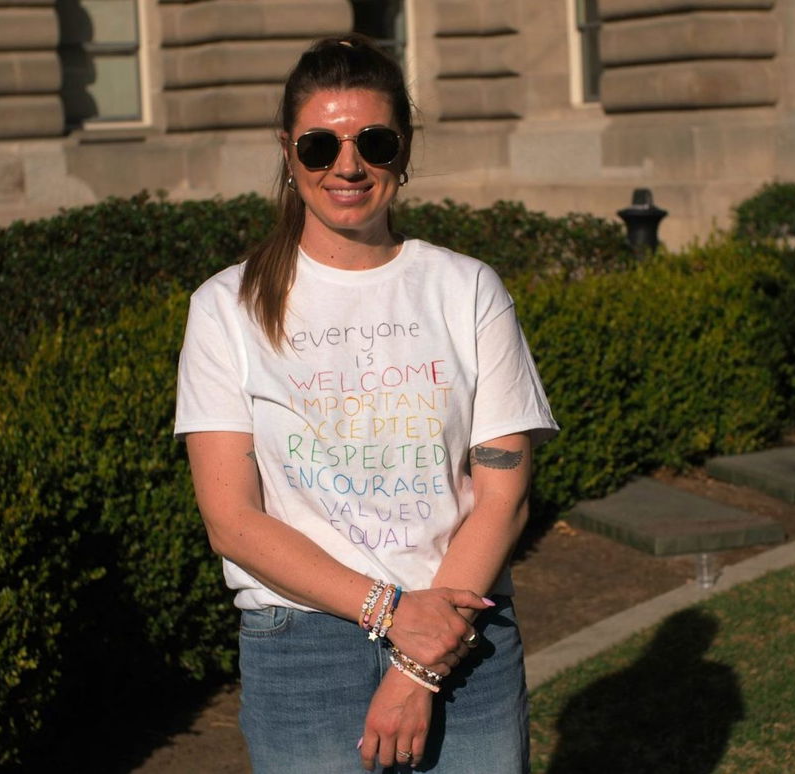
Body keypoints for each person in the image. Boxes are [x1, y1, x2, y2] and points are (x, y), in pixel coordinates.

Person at [174, 34, 557, 773]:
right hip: (304, 647)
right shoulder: (226, 307)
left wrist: (420, 662)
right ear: (288, 153)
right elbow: (232, 521)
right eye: (320, 146)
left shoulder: (466, 288)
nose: (346, 166)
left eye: (372, 142)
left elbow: (504, 496)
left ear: (403, 150)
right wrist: (390, 613)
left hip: (463, 630)